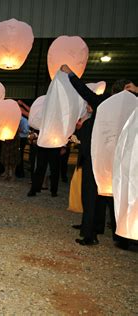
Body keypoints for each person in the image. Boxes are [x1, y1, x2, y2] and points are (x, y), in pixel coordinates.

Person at [61, 64, 133, 248]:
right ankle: (118, 235)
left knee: (92, 194)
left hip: (99, 157)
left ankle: (89, 233)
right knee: (114, 195)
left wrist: (70, 74)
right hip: (121, 159)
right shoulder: (134, 109)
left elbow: (84, 91)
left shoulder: (105, 103)